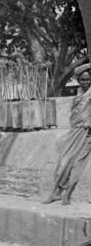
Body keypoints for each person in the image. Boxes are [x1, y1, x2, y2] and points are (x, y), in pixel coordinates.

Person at [43, 62, 91, 205]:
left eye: (88, 79)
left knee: (77, 164)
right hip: (74, 131)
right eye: (82, 80)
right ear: (78, 80)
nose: (85, 82)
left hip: (86, 132)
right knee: (63, 161)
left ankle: (67, 194)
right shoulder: (79, 92)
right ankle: (56, 192)